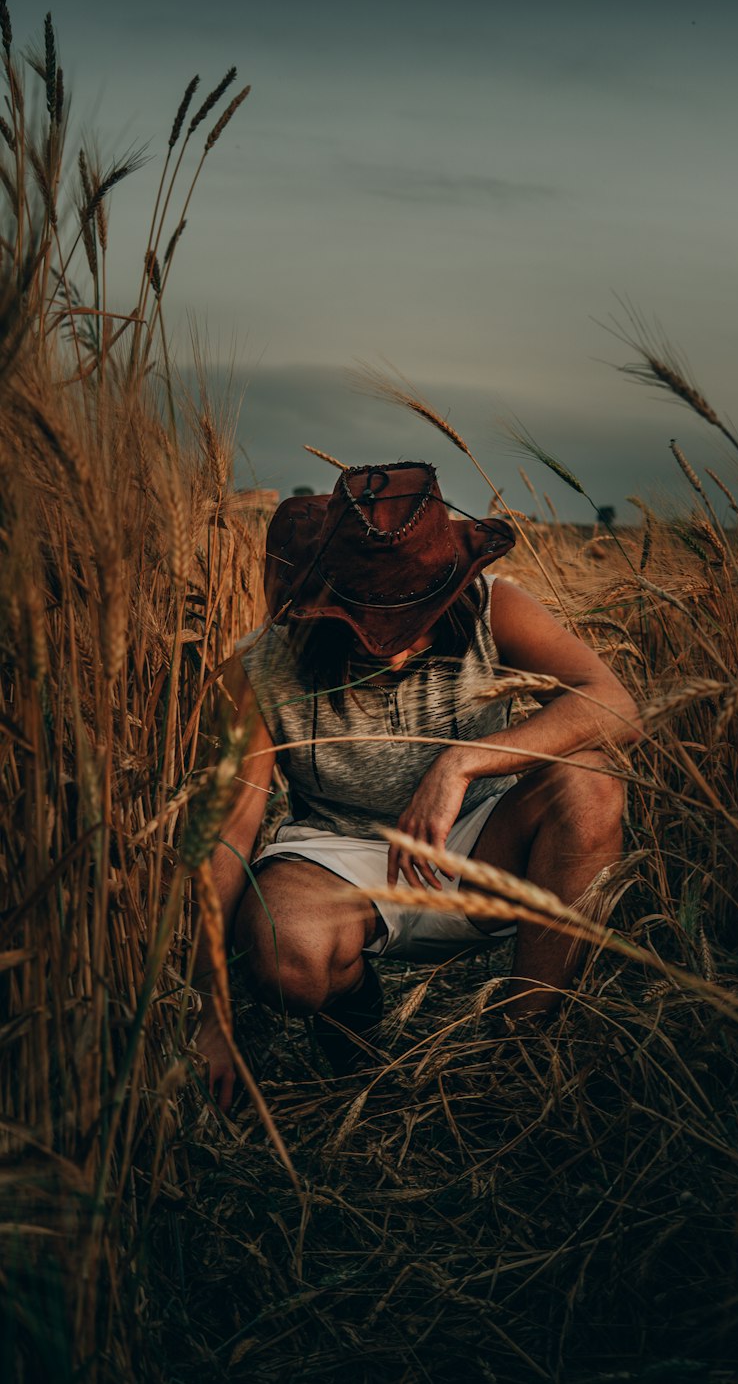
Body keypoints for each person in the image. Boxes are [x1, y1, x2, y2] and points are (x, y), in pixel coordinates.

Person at [194, 461, 639, 1112]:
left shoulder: (496, 608)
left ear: (449, 585)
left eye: (413, 618)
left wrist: (461, 763)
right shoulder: (265, 664)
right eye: (368, 620)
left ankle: (519, 1056)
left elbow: (616, 705)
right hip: (334, 855)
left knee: (591, 783)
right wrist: (211, 1013)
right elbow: (229, 833)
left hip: (480, 842)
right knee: (286, 955)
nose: (394, 650)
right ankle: (357, 1017)